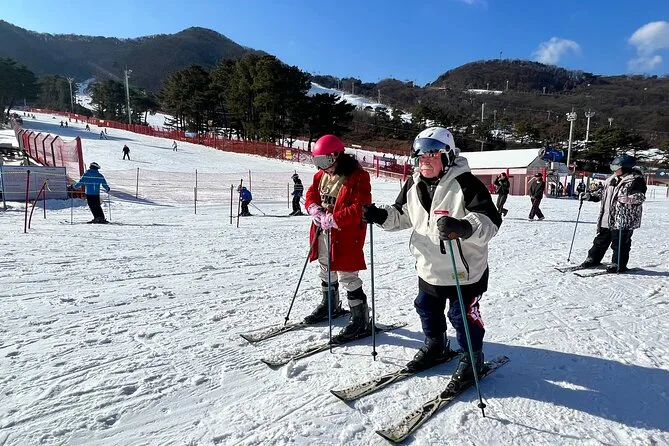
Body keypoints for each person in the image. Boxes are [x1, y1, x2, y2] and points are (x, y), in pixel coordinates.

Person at [363, 127, 502, 390]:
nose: (424, 160)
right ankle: (436, 345)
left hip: (464, 270)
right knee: (427, 307)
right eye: (420, 155)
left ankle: (472, 358)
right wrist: (381, 216)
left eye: (432, 154)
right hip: (429, 266)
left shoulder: (467, 184)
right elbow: (403, 214)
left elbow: (490, 221)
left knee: (462, 316)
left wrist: (464, 227)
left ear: (447, 156)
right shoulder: (413, 184)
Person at [304, 134, 372, 342]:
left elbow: (361, 207)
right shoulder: (321, 175)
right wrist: (314, 208)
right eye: (318, 162)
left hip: (346, 234)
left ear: (337, 156)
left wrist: (335, 219)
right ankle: (330, 305)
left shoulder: (357, 177)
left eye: (325, 161)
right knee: (325, 267)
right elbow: (311, 194)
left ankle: (360, 318)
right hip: (323, 231)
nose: (322, 167)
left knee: (347, 274)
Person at [579, 154, 647, 273]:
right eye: (612, 167)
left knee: (620, 242)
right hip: (607, 216)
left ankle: (618, 263)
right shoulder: (611, 180)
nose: (613, 170)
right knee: (601, 240)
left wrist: (629, 199)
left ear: (625, 168)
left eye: (616, 168)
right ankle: (593, 259)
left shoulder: (636, 180)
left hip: (623, 217)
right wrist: (590, 196)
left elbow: (640, 197)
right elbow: (603, 193)